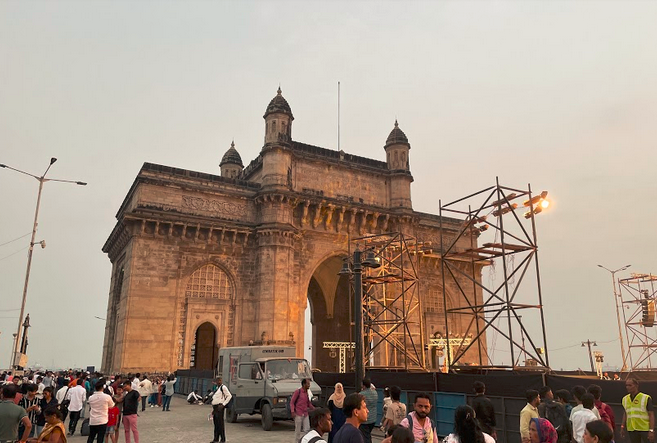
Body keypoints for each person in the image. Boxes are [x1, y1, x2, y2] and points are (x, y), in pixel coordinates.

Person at [621, 377, 654, 443]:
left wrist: (651, 430)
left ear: (636, 385)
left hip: (644, 428)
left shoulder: (645, 398)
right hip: (632, 429)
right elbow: (626, 413)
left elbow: (651, 414)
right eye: (626, 385)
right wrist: (622, 426)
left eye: (630, 385)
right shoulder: (625, 399)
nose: (627, 387)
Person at [292, 378, 315, 443]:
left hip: (305, 414)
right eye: (308, 384)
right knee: (298, 431)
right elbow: (292, 402)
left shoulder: (307, 393)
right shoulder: (298, 392)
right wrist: (292, 411)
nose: (309, 385)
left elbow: (308, 403)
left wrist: (314, 409)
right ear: (304, 384)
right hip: (298, 414)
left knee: (306, 430)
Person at [211, 376, 232, 443]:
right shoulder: (217, 388)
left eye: (219, 380)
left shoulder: (223, 387)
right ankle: (216, 438)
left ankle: (222, 439)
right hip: (215, 407)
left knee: (220, 424)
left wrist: (223, 404)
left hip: (220, 407)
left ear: (221, 380)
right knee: (216, 424)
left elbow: (229, 396)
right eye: (216, 381)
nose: (217, 382)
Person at [359, 378, 378, 443]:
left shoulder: (361, 395)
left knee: (365, 437)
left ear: (363, 385)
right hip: (373, 418)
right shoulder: (375, 393)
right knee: (367, 434)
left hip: (365, 419)